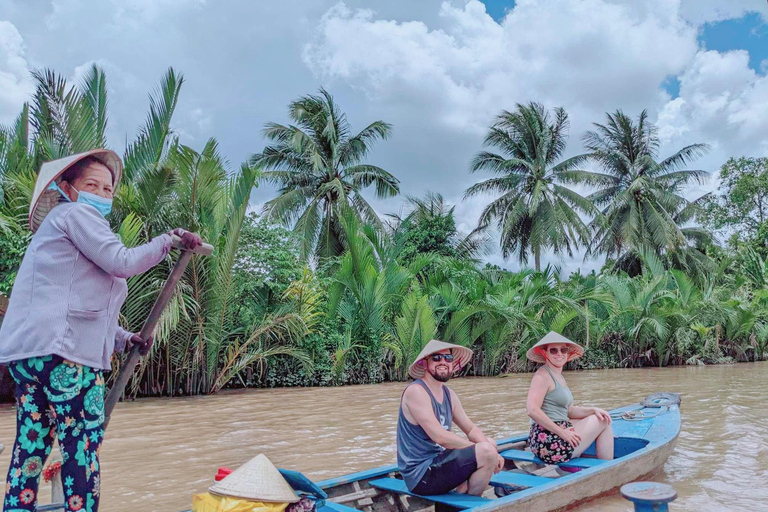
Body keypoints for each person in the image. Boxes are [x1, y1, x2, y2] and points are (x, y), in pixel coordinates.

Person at [0, 149, 202, 512]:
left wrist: (125, 339)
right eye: (91, 184)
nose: (101, 194)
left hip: (28, 356)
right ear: (67, 187)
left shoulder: (60, 227)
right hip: (66, 357)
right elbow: (121, 262)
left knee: (30, 450)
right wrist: (168, 240)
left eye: (107, 189)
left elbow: (79, 305)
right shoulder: (78, 214)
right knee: (81, 448)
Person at [397, 339, 503, 497]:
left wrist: (491, 450)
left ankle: (465, 494)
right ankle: (470, 500)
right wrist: (485, 452)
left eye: (448, 358)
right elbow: (440, 437)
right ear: (425, 364)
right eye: (436, 358)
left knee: (489, 444)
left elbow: (470, 428)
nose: (443, 362)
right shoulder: (416, 392)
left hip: (439, 463)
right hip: (422, 475)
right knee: (486, 450)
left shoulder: (449, 395)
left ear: (453, 364)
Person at [525, 331, 614, 465]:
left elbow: (569, 411)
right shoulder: (542, 375)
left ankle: (603, 464)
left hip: (553, 434)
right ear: (545, 353)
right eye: (553, 350)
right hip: (549, 442)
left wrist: (594, 409)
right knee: (604, 422)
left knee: (601, 416)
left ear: (567, 353)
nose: (559, 354)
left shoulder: (559, 377)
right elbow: (532, 410)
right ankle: (607, 467)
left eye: (563, 350)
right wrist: (562, 433)